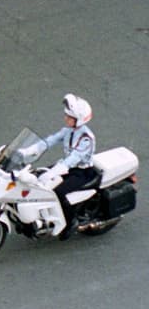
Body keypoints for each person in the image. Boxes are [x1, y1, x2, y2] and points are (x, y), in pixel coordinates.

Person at [38, 94, 99, 240]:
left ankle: (70, 222)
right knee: (37, 175)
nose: (66, 118)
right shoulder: (68, 131)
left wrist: (54, 172)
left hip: (82, 173)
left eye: (70, 117)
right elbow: (50, 141)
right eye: (66, 115)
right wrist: (28, 151)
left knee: (58, 192)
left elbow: (72, 160)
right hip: (67, 168)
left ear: (79, 120)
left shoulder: (86, 138)